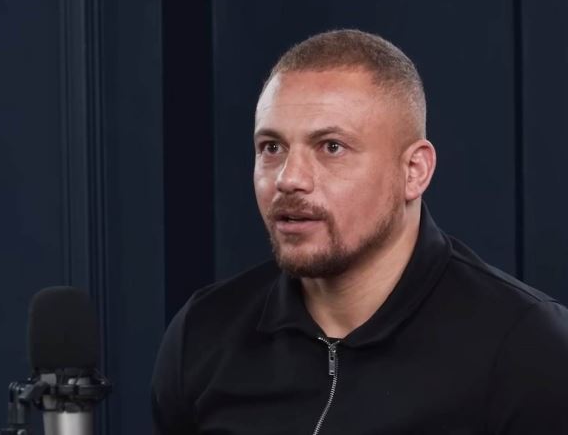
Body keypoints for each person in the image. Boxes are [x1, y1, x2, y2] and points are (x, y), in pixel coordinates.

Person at [152, 29, 568, 434]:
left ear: (414, 171)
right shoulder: (203, 333)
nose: (288, 178)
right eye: (272, 147)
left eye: (331, 147)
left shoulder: (526, 347)